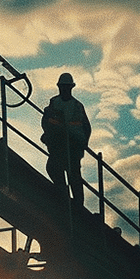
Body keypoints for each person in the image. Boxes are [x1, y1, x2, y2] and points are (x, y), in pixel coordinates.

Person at [41, 72, 92, 206]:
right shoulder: (54, 102)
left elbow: (87, 127)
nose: (64, 89)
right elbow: (46, 120)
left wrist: (82, 144)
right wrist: (47, 134)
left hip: (73, 145)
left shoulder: (77, 106)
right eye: (62, 87)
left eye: (66, 87)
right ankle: (63, 193)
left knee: (73, 175)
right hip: (58, 143)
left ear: (71, 88)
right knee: (53, 168)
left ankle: (78, 204)